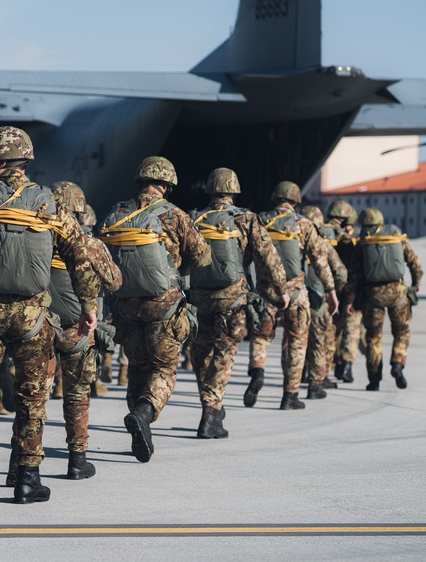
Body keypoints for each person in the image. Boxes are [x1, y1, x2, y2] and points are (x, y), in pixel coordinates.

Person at [0, 126, 98, 505]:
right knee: (32, 398)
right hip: (33, 318)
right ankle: (27, 478)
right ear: (24, 161)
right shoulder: (49, 204)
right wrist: (88, 309)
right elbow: (80, 259)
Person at [100, 156, 211, 462]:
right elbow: (202, 255)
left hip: (126, 306)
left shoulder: (117, 212)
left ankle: (138, 420)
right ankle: (144, 414)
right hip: (163, 306)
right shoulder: (175, 215)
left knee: (137, 366)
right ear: (167, 184)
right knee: (163, 369)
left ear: (139, 181)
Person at [187, 168, 289, 438]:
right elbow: (268, 257)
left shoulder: (194, 218)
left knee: (201, 356)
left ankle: (212, 409)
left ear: (209, 190)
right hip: (232, 299)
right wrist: (282, 289)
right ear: (233, 191)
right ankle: (211, 413)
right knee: (223, 355)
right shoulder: (246, 218)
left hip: (199, 300)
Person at [43, 181, 121, 479]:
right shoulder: (89, 243)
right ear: (80, 208)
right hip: (78, 329)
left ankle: (22, 466)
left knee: (34, 398)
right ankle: (77, 461)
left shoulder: (36, 237)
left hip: (41, 327)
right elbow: (115, 282)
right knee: (77, 395)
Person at [244, 181, 338, 410]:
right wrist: (331, 291)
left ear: (276, 198)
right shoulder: (303, 225)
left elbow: (246, 256)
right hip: (296, 293)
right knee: (296, 343)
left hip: (266, 291)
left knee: (260, 337)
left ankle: (258, 370)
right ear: (296, 201)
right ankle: (290, 396)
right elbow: (320, 262)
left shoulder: (259, 221)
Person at [344, 207, 423, 390]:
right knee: (402, 332)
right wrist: (416, 283)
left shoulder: (362, 243)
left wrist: (349, 300)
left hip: (373, 296)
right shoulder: (395, 237)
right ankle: (397, 363)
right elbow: (415, 264)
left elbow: (353, 276)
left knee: (373, 338)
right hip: (398, 293)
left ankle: (374, 380)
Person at [299, 205, 347, 400]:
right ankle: (315, 386)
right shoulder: (323, 244)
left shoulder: (292, 243)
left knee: (293, 341)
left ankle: (293, 383)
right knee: (318, 342)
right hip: (319, 300)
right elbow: (341, 272)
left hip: (296, 298)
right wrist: (335, 291)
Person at [324, 201, 361, 383]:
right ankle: (345, 366)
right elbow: (354, 271)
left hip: (326, 291)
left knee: (331, 331)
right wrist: (351, 298)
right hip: (347, 291)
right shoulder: (348, 240)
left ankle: (325, 369)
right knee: (351, 331)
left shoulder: (319, 232)